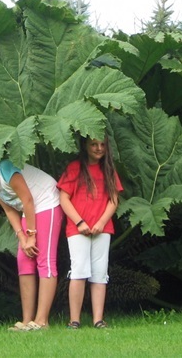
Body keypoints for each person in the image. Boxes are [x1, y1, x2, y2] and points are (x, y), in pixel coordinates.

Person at [0, 138, 64, 331]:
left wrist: (32, 235)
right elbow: (10, 210)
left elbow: (27, 199)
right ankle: (27, 321)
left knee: (44, 260)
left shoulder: (6, 167)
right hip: (30, 209)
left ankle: (42, 321)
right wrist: (22, 236)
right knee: (24, 260)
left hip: (46, 202)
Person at [57, 135, 123, 329]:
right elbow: (64, 198)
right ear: (85, 146)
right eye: (94, 144)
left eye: (102, 145)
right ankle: (74, 321)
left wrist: (102, 222)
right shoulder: (75, 168)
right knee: (78, 271)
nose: (98, 148)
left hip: (102, 229)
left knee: (100, 273)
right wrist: (79, 222)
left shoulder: (109, 170)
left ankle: (98, 320)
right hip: (78, 229)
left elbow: (113, 200)